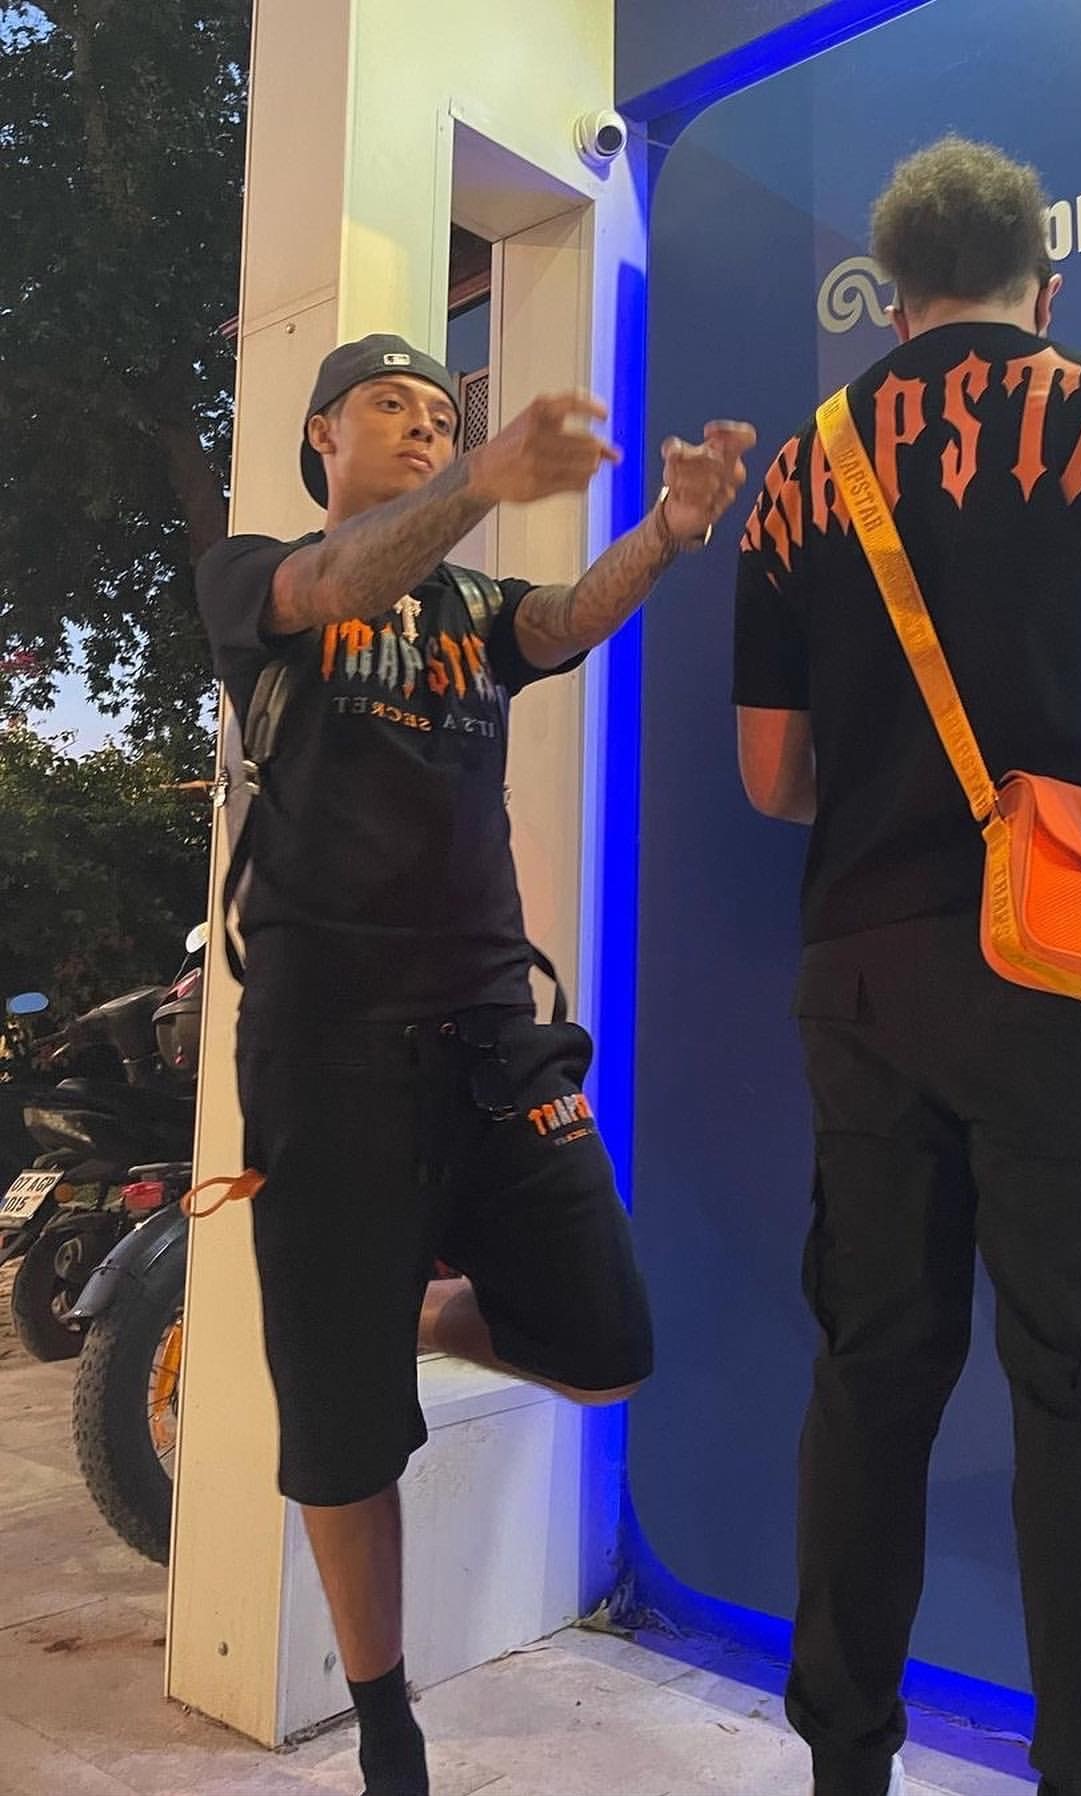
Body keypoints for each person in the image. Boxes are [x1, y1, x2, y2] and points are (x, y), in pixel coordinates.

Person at [732, 139, 1081, 1796]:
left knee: (870, 1386)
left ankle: (843, 1769)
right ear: (1051, 284)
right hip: (1077, 987)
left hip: (868, 982)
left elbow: (773, 776)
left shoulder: (805, 469)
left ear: (890, 302)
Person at [196, 332, 754, 1796]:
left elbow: (562, 619)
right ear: (322, 436)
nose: (423, 427)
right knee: (342, 1434)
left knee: (607, 1346)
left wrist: (666, 531)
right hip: (326, 1050)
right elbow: (334, 585)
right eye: (390, 405)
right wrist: (485, 482)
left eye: (443, 416)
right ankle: (387, 1728)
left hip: (495, 1035)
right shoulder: (256, 577)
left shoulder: (472, 607)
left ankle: (415, 1302)